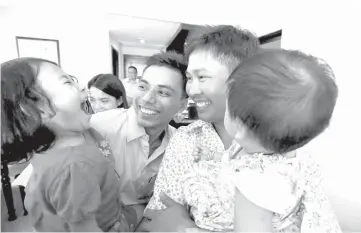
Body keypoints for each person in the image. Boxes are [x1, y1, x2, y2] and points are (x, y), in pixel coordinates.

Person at [182, 49, 342, 232]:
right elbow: (235, 159)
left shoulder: (255, 186)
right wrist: (215, 155)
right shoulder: (270, 146)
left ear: (240, 126)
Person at [140, 25, 260, 232]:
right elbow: (157, 215)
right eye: (189, 78)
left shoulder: (278, 141)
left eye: (202, 77)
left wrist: (186, 229)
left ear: (242, 80)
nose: (192, 91)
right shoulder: (187, 138)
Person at [1, 58, 136, 232]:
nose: (81, 87)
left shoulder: (75, 133)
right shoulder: (74, 167)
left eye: (72, 78)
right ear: (38, 108)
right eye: (66, 82)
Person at [90, 51, 188, 226]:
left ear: (181, 105)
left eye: (163, 92)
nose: (147, 98)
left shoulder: (180, 144)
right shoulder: (99, 127)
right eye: (143, 87)